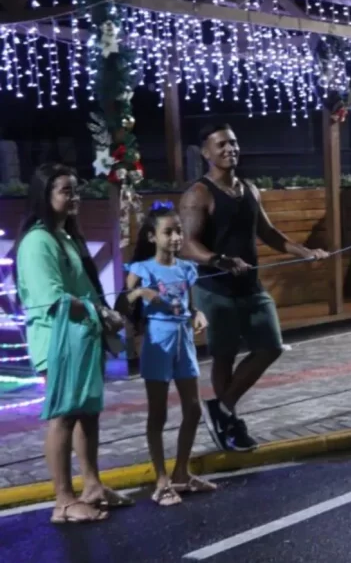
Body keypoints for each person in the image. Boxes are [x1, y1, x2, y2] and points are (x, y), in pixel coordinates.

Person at [179, 124, 329, 453]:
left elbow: (269, 233)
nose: (229, 148)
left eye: (233, 142)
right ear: (206, 153)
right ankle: (230, 421)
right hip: (215, 288)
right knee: (224, 357)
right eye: (220, 145)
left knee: (270, 346)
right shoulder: (198, 194)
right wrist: (219, 260)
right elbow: (186, 245)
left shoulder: (249, 189)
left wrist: (305, 252)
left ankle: (221, 408)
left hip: (251, 286)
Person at [15, 163, 132, 523]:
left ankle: (92, 485)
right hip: (58, 341)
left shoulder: (65, 237)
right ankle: (63, 501)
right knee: (64, 417)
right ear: (45, 196)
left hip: (82, 338)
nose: (74, 197)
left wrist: (101, 315)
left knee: (87, 413)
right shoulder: (38, 241)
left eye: (75, 190)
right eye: (66, 191)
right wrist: (101, 311)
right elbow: (54, 299)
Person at [117, 203, 216, 507]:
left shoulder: (186, 269)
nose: (175, 237)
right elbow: (121, 303)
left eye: (178, 231)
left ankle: (181, 473)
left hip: (183, 340)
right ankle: (161, 479)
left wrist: (198, 314)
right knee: (157, 413)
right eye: (168, 232)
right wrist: (142, 294)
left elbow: (189, 304)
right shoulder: (142, 269)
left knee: (193, 409)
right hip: (157, 341)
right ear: (152, 236)